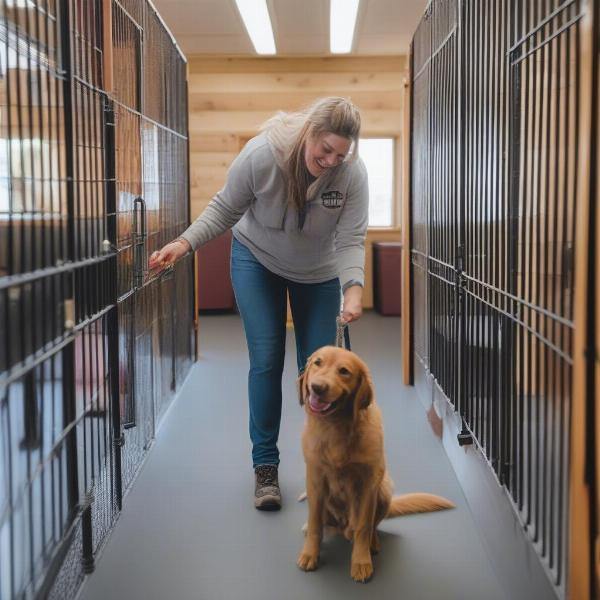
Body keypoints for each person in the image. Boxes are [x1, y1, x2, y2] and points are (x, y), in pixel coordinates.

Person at [149, 96, 368, 511]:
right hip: (257, 259)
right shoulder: (263, 154)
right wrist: (183, 244)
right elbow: (224, 208)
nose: (331, 160)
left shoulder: (351, 174)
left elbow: (351, 237)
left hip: (317, 271)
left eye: (341, 154)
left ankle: (328, 467)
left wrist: (353, 289)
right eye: (325, 150)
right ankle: (265, 467)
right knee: (266, 359)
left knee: (318, 371)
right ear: (309, 134)